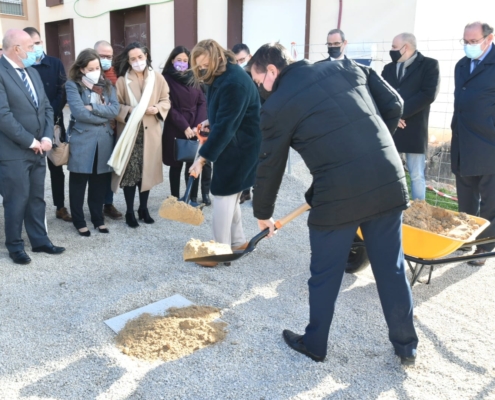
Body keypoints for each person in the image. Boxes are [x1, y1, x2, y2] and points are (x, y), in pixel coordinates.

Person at [248, 43, 418, 366]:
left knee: (325, 273)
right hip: (386, 178)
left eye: (259, 82)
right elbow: (395, 104)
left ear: (271, 71)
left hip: (338, 195)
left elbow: (269, 164)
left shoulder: (277, 106)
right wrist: (370, 146)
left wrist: (263, 214)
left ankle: (315, 344)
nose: (260, 89)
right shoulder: (348, 67)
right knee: (391, 268)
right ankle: (406, 346)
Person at [189, 39, 262, 267]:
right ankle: (238, 241)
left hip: (240, 146)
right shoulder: (220, 75)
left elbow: (227, 126)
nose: (201, 70)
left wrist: (201, 159)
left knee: (221, 195)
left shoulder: (234, 82)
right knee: (230, 194)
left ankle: (219, 250)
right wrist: (210, 119)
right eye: (198, 67)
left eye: (204, 66)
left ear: (217, 58)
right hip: (235, 142)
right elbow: (224, 116)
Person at [0, 29, 65, 264]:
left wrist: (47, 137)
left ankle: (40, 241)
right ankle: (15, 245)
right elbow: (3, 115)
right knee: (16, 199)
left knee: (37, 197)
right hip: (14, 152)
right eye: (30, 47)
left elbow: (47, 107)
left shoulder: (33, 73)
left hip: (39, 148)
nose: (35, 51)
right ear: (16, 48)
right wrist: (30, 141)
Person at [111, 42, 170, 228]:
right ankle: (129, 210)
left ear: (146, 56)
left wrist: (157, 108)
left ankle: (143, 208)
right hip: (131, 133)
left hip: (151, 132)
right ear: (128, 61)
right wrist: (131, 111)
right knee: (130, 173)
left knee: (147, 172)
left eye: (140, 57)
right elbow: (116, 106)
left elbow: (166, 99)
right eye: (133, 59)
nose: (137, 61)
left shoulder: (157, 78)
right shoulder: (122, 81)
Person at [451, 21, 495, 266]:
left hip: (490, 143)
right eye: (465, 42)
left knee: (491, 200)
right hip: (463, 140)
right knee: (466, 197)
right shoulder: (462, 65)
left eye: (473, 41)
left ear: (489, 39)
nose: (468, 46)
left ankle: (484, 248)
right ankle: (466, 239)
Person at [66, 49, 120, 236]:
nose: (96, 70)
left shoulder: (107, 86)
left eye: (98, 67)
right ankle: (79, 220)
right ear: (82, 69)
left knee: (99, 182)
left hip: (104, 140)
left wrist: (93, 107)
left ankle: (98, 219)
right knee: (79, 182)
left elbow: (115, 110)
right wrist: (101, 115)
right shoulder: (73, 85)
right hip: (82, 139)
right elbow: (79, 113)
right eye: (91, 68)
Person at [382, 33, 440, 201]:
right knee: (389, 173)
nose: (391, 50)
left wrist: (399, 112)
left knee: (416, 175)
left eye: (394, 47)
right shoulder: (388, 69)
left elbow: (428, 94)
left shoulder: (429, 65)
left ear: (405, 47)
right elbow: (381, 95)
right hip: (392, 128)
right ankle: (392, 207)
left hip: (413, 128)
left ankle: (418, 210)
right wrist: (392, 116)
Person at [23, 27, 72, 223]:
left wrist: (47, 117)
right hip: (30, 126)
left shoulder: (55, 63)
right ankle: (30, 209)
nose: (35, 47)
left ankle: (60, 207)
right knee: (31, 167)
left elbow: (62, 92)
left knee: (56, 166)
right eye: (30, 44)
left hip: (54, 124)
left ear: (42, 42)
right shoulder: (24, 66)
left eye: (37, 42)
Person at [161, 46, 210, 205]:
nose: (182, 63)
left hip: (195, 127)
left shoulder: (194, 77)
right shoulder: (166, 78)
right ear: (172, 60)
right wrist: (185, 127)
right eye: (179, 60)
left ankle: (192, 197)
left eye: (185, 61)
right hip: (175, 126)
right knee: (175, 165)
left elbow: (202, 102)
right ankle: (175, 197)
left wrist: (197, 126)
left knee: (193, 164)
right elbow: (169, 106)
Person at [94, 40, 123, 220]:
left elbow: (118, 104)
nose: (106, 59)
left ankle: (108, 203)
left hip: (115, 129)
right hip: (96, 129)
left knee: (110, 167)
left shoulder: (117, 75)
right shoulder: (88, 74)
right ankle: (95, 204)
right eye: (102, 56)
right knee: (95, 170)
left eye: (109, 56)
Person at [232, 42, 257, 204]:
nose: (240, 64)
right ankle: (245, 191)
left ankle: (258, 192)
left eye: (242, 60)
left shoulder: (257, 74)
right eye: (237, 61)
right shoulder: (235, 76)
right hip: (240, 124)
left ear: (250, 57)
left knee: (257, 159)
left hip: (256, 122)